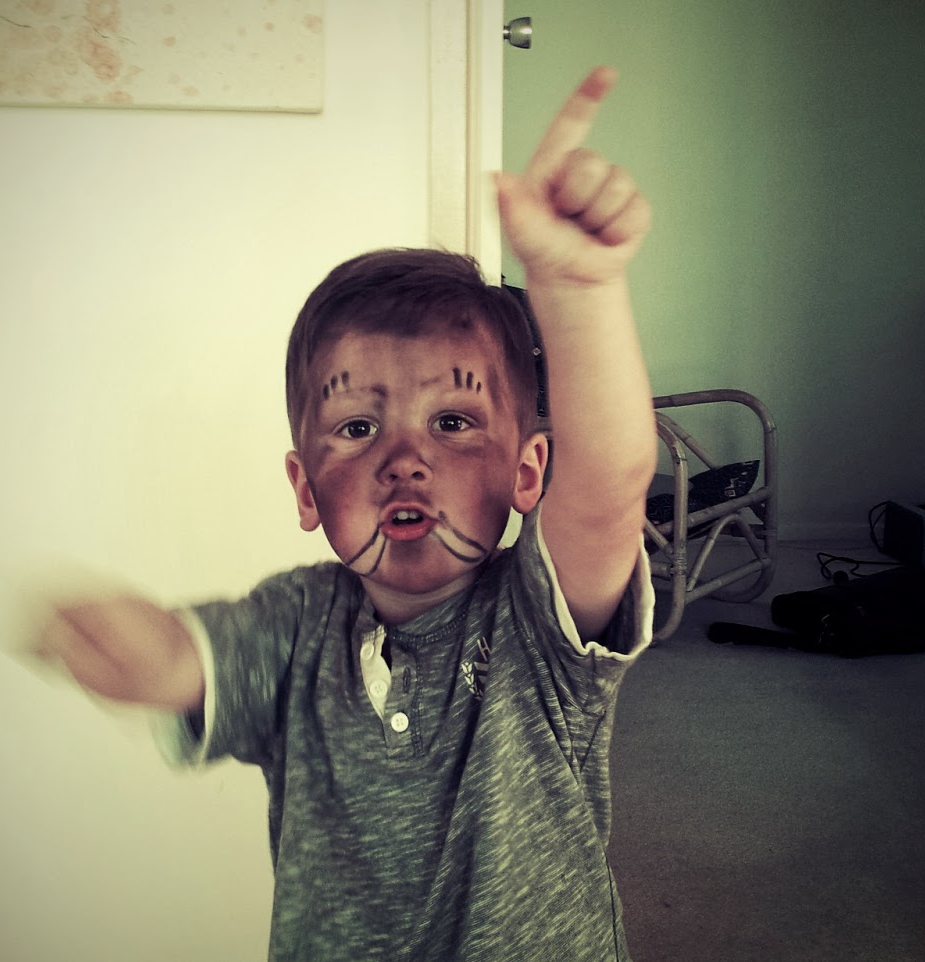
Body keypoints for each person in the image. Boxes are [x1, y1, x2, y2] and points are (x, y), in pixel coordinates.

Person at [39, 66, 657, 961]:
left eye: (452, 422)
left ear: (529, 471)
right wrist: (132, 643)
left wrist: (575, 288)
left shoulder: (538, 624)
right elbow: (182, 660)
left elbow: (609, 489)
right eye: (358, 428)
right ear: (305, 489)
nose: (404, 459)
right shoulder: (291, 625)